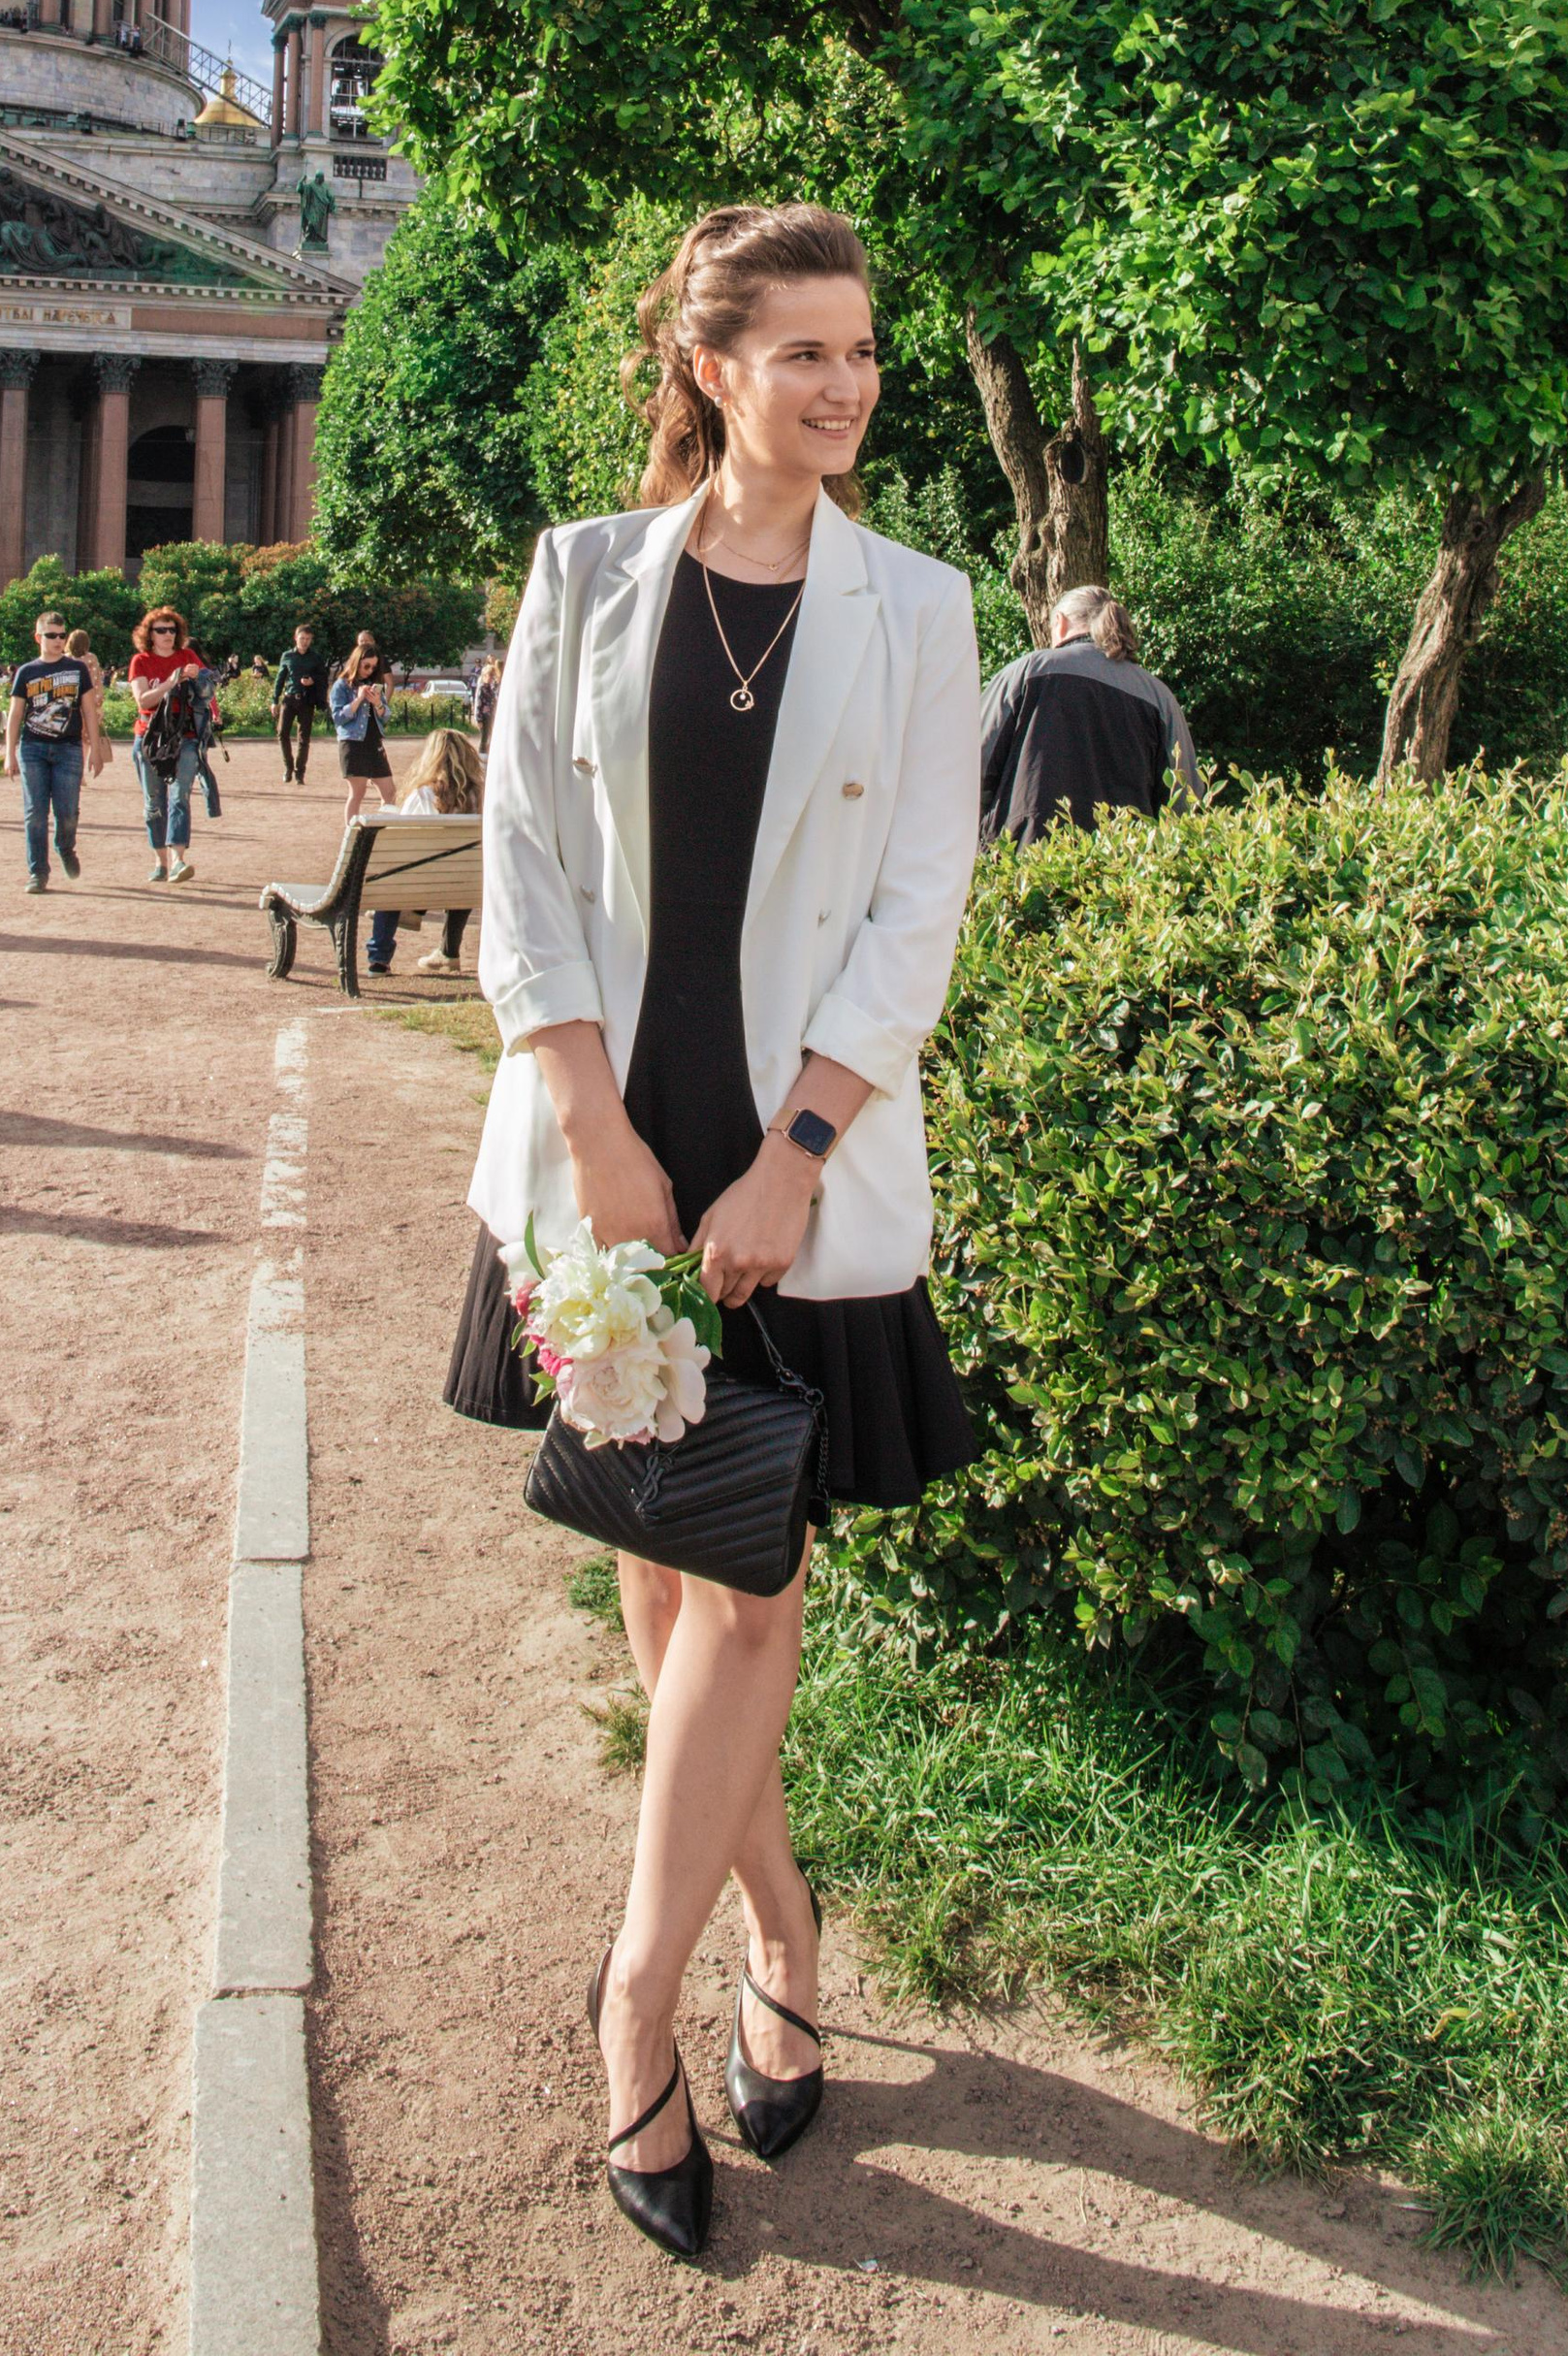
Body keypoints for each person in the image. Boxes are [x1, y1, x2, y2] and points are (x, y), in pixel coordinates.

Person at [447, 200, 981, 2264]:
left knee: (746, 1587)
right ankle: (779, 1918)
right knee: (664, 1587)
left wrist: (797, 1150)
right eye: (804, 355)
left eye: (861, 355)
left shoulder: (917, 603)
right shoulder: (586, 574)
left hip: (794, 1156)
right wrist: (590, 1123)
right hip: (602, 1142)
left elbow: (915, 895)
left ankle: (632, 2004)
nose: (844, 389)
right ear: (707, 364)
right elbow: (520, 862)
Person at [976, 588, 1200, 845]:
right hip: (1123, 870)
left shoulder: (1027, 672)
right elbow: (1184, 800)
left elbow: (971, 767)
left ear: (1059, 623)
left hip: (1026, 867)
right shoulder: (1158, 697)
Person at [363, 724, 485, 975]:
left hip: (419, 883)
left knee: (391, 878)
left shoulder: (423, 795)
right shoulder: (482, 797)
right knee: (462, 867)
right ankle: (449, 952)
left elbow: (402, 840)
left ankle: (379, 958)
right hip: (466, 883)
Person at [2, 605, 106, 894]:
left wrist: (95, 750)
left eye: (62, 635)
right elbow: (15, 714)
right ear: (38, 638)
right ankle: (38, 873)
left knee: (67, 811)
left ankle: (65, 847)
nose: (58, 641)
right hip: (33, 748)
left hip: (68, 749)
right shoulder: (27, 672)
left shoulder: (77, 669)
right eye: (51, 635)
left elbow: (87, 710)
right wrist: (9, 753)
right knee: (35, 813)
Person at [129, 605, 213, 885]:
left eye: (172, 630)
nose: (167, 634)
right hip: (150, 738)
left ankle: (178, 860)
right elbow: (143, 701)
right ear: (149, 634)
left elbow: (208, 691)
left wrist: (200, 677)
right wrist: (172, 680)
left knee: (180, 797)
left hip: (185, 735)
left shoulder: (187, 655)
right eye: (161, 630)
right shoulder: (140, 661)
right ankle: (160, 861)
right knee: (154, 803)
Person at [329, 639, 394, 829]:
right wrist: (358, 700)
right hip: (353, 743)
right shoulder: (341, 686)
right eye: (366, 666)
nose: (369, 671)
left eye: (373, 667)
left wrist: (378, 704)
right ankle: (352, 834)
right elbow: (338, 718)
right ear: (356, 661)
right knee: (357, 792)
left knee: (389, 792)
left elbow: (386, 716)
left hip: (374, 742)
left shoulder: (374, 685)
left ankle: (382, 832)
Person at [272, 623, 327, 784]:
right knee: (282, 733)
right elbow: (280, 679)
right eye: (302, 638)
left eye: (308, 639)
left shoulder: (315, 658)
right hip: (289, 699)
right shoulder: (287, 656)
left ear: (311, 640)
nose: (304, 642)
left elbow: (323, 678)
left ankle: (300, 772)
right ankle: (288, 767)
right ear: (295, 638)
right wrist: (274, 700)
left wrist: (313, 680)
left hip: (306, 700)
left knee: (304, 737)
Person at [469, 653, 503, 754]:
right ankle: (482, 753)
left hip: (492, 715)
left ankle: (490, 752)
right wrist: (478, 719)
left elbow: (496, 697)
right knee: (484, 737)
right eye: (489, 675)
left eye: (493, 676)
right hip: (484, 716)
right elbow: (478, 704)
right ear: (484, 676)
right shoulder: (482, 687)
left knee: (492, 736)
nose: (491, 678)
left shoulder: (492, 687)